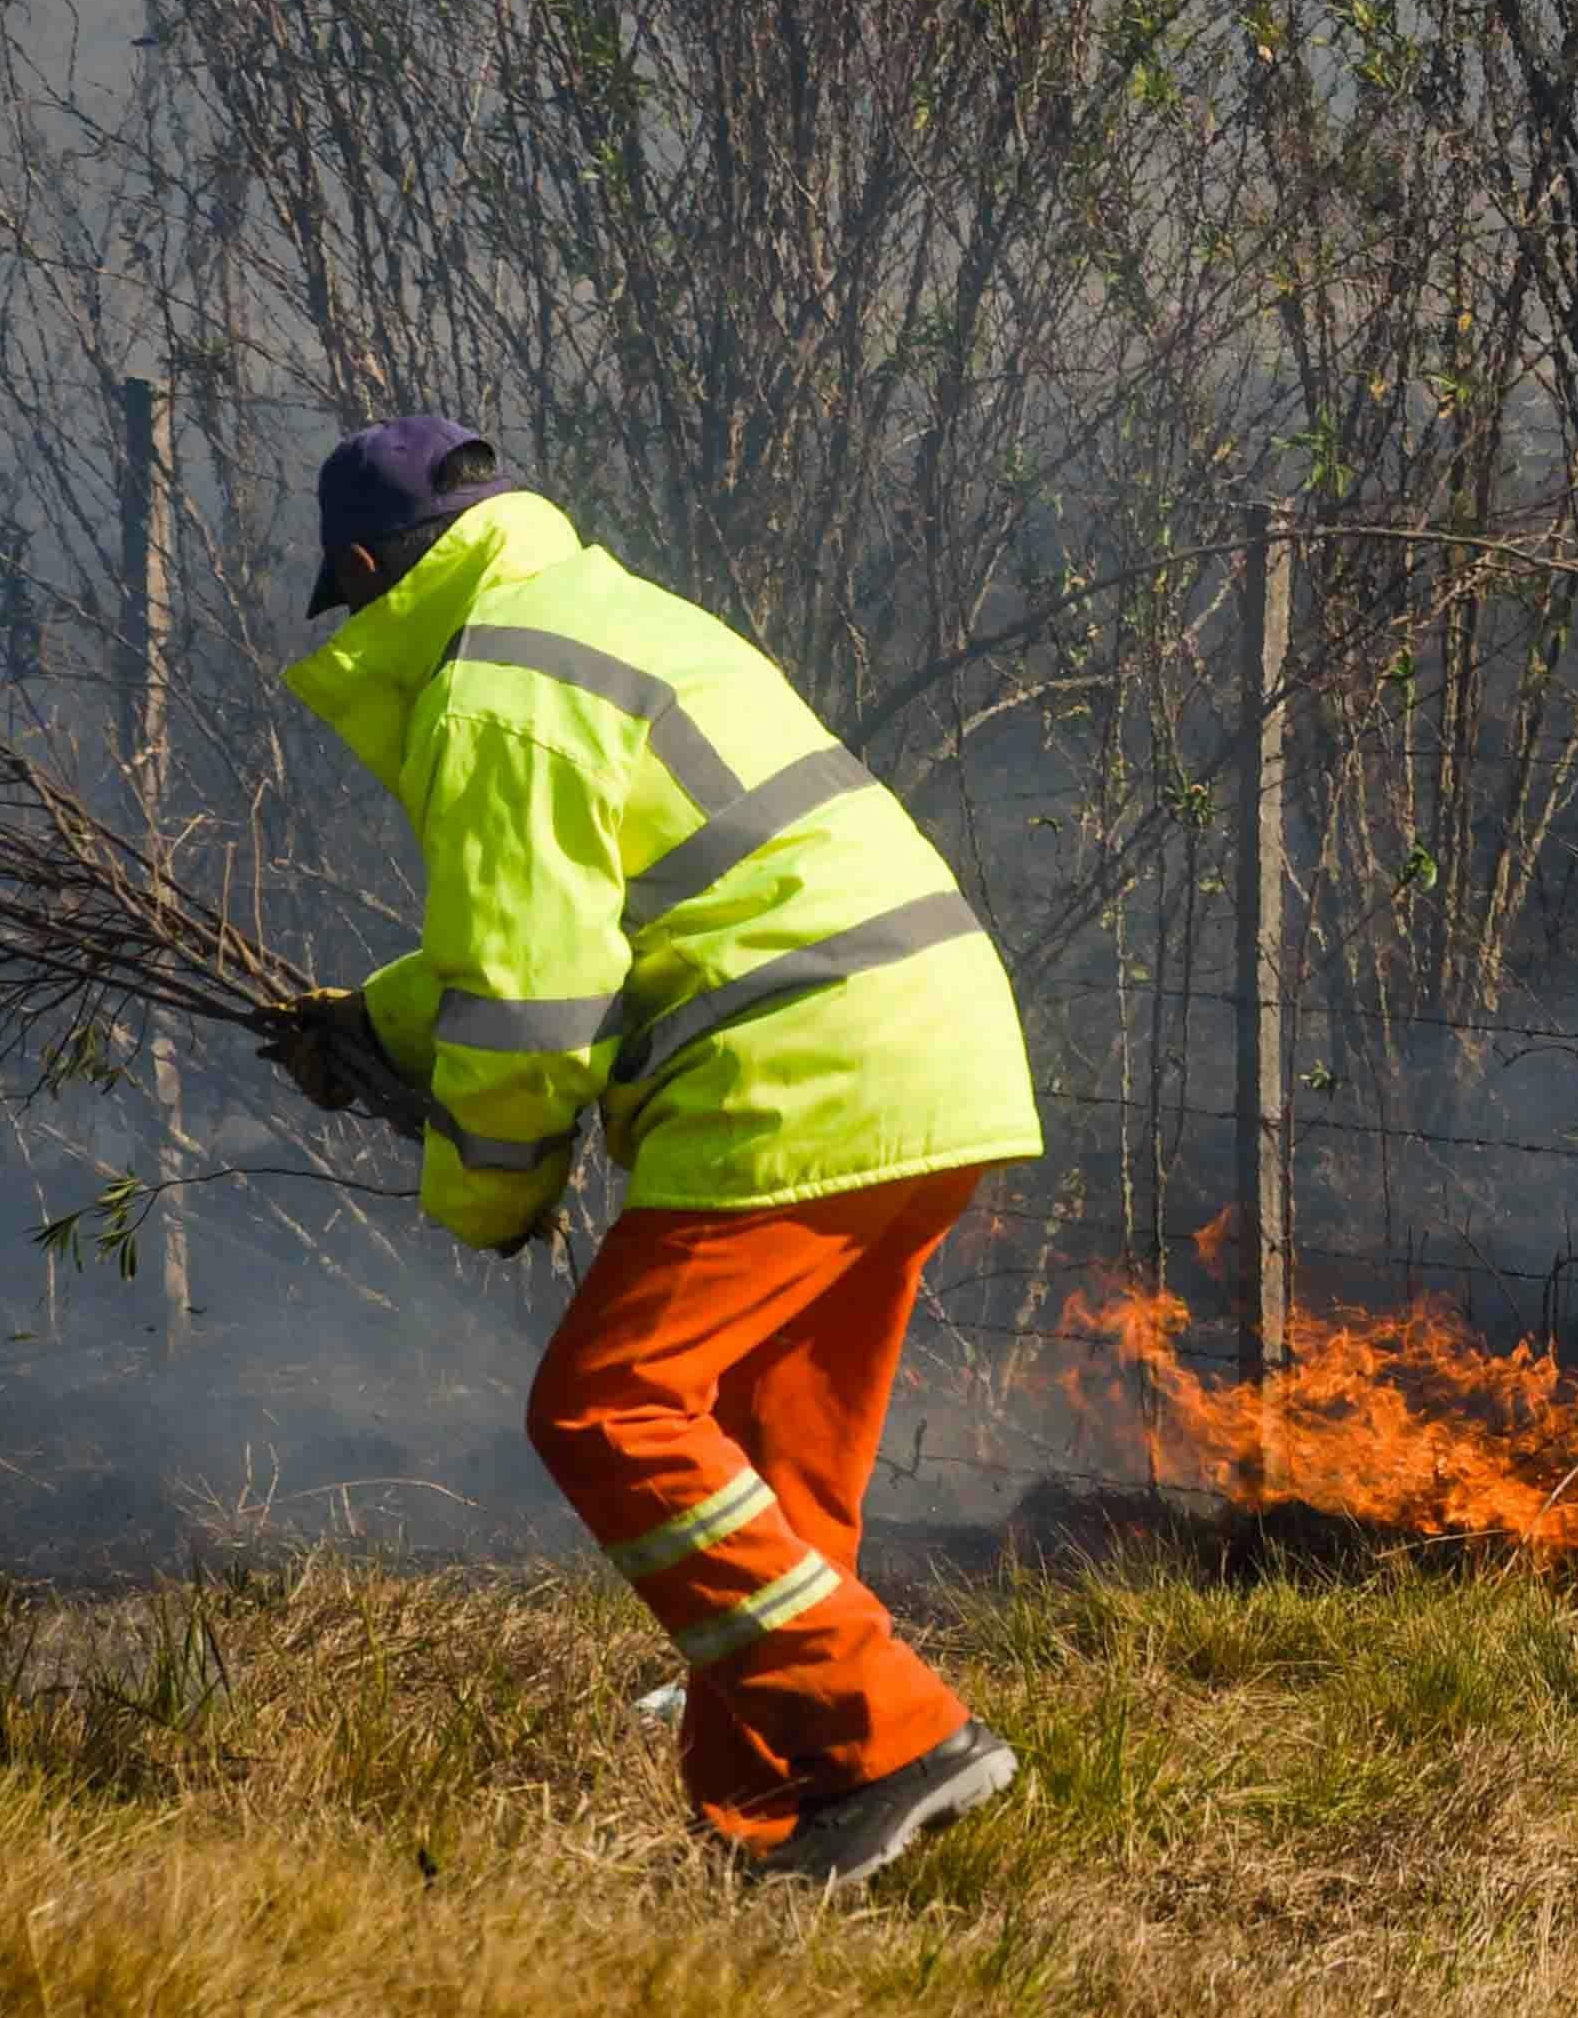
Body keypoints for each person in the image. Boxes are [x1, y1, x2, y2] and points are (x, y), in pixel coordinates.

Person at [259, 416, 1043, 1889]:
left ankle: (898, 1738)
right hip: (933, 1052)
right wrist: (377, 1022)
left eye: (354, 599)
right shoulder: (596, 611)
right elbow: (596, 915)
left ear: (366, 572)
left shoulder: (493, 693)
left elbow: (536, 998)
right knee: (769, 1463)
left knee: (604, 1403)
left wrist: (486, 1195)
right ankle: (786, 1813)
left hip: (798, 1074)